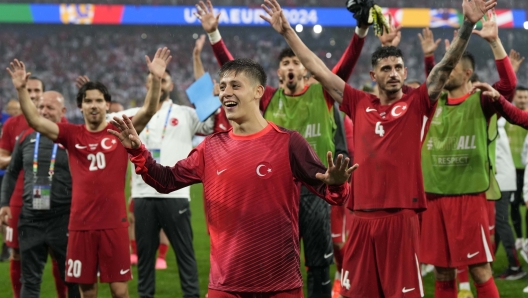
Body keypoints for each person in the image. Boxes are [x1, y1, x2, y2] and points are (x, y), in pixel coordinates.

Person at [261, 0, 497, 296]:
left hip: (400, 217)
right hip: (360, 219)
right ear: (374, 76)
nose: (394, 73)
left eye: (399, 67)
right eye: (386, 68)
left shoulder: (417, 103)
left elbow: (445, 66)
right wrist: (287, 33)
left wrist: (467, 25)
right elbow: (318, 70)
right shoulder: (358, 103)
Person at [109, 58, 357, 297]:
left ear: (258, 91)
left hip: (280, 283)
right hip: (226, 286)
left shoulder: (289, 142)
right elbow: (166, 180)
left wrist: (337, 184)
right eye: (223, 86)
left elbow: (334, 196)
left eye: (236, 86)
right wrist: (137, 150)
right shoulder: (210, 147)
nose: (226, 92)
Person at [195, 1, 366, 295]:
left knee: (318, 262)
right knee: (270, 262)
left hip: (313, 188)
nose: (291, 67)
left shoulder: (321, 92)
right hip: (275, 189)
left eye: (296, 63)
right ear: (276, 74)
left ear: (306, 70)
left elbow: (346, 66)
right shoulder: (268, 98)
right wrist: (214, 36)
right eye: (285, 64)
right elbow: (238, 77)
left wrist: (361, 31)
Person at [5, 47, 169, 298]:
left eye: (99, 100)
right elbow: (36, 122)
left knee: (120, 291)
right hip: (80, 225)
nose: (94, 105)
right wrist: (20, 90)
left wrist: (156, 79)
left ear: (107, 104)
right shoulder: (72, 134)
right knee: (87, 292)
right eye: (88, 101)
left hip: (114, 223)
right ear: (80, 106)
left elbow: (148, 111)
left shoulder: (120, 129)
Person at [111, 67, 213, 298]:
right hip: (142, 195)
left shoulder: (185, 113)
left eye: (162, 79)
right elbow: (98, 126)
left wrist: (199, 71)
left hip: (176, 195)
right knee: (145, 260)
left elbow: (211, 122)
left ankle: (191, 296)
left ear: (171, 85)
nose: (157, 82)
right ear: (148, 86)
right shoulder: (133, 115)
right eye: (152, 80)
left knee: (185, 255)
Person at [0, 91, 81, 298]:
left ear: (63, 111)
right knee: (30, 279)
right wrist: (4, 203)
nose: (44, 112)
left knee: (71, 279)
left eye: (50, 108)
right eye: (41, 107)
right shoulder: (25, 136)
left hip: (63, 218)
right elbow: (11, 172)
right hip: (31, 218)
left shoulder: (73, 136)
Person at [507, 86, 528, 250]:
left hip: (525, 168)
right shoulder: (508, 117)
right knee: (514, 205)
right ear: (515, 98)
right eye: (520, 97)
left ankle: (526, 238)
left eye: (526, 97)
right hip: (512, 170)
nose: (523, 100)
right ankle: (520, 237)